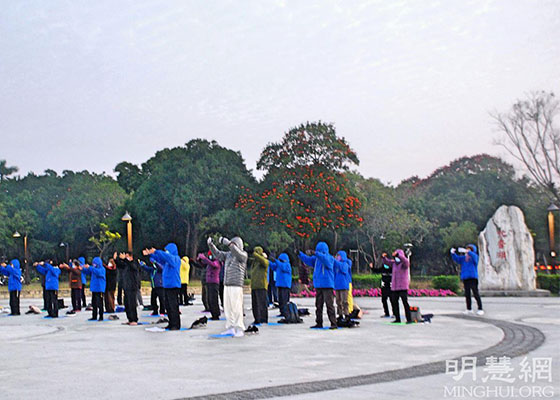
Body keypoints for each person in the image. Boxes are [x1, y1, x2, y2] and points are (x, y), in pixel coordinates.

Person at [208, 236, 248, 337]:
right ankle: (230, 327)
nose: (232, 246)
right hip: (227, 284)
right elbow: (218, 254)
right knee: (228, 307)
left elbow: (237, 253)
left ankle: (239, 328)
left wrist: (229, 243)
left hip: (236, 285)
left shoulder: (243, 255)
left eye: (234, 244)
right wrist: (211, 245)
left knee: (236, 307)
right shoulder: (229, 255)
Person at [299, 242, 337, 330]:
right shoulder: (316, 259)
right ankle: (319, 322)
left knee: (329, 305)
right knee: (318, 305)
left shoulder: (329, 258)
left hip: (327, 285)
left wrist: (316, 253)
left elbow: (325, 260)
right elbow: (307, 260)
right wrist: (300, 254)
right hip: (319, 285)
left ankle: (333, 323)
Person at [145, 243, 182, 330]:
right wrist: (151, 254)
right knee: (168, 306)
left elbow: (166, 257)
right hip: (167, 286)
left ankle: (176, 324)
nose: (166, 252)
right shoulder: (167, 261)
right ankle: (171, 322)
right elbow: (159, 259)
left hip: (173, 286)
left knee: (173, 306)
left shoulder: (175, 259)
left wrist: (157, 251)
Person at [451, 244, 484, 315]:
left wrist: (468, 252)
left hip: (473, 277)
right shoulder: (464, 258)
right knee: (467, 294)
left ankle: (480, 308)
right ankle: (469, 309)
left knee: (475, 293)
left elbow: (475, 257)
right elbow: (457, 259)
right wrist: (453, 253)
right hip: (465, 277)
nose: (467, 251)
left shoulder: (474, 257)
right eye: (467, 249)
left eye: (469, 249)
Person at [382, 250, 412, 324]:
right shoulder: (394, 263)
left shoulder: (404, 263)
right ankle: (397, 318)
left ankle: (409, 319)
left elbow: (405, 260)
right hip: (395, 287)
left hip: (403, 287)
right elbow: (387, 262)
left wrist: (398, 255)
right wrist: (384, 257)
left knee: (405, 303)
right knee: (394, 303)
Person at [114, 251, 141, 325]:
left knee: (132, 303)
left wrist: (125, 259)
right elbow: (120, 265)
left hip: (132, 286)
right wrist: (116, 259)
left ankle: (134, 319)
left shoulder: (134, 263)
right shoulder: (126, 264)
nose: (125, 258)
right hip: (126, 286)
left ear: (131, 257)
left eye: (127, 256)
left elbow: (133, 267)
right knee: (127, 303)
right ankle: (130, 318)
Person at [197, 251, 221, 320]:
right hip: (209, 282)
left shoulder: (217, 261)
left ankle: (216, 314)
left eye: (210, 255)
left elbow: (214, 265)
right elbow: (203, 264)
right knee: (209, 299)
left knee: (214, 299)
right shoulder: (209, 263)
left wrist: (205, 258)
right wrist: (200, 260)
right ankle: (213, 313)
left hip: (214, 282)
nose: (209, 256)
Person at [249, 246, 269, 325]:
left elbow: (264, 262)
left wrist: (257, 255)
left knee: (262, 304)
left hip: (261, 286)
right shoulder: (255, 263)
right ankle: (257, 319)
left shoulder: (264, 261)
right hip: (254, 286)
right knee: (255, 305)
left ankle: (263, 319)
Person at [83, 257, 106, 321]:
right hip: (94, 289)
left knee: (100, 303)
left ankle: (101, 316)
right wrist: (83, 268)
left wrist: (90, 267)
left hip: (100, 288)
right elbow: (88, 272)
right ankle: (94, 316)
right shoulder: (93, 269)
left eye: (95, 263)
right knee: (94, 303)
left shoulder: (102, 269)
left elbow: (98, 273)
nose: (93, 264)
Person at [269, 253, 292, 318]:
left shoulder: (287, 265)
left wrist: (276, 260)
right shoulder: (279, 265)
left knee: (284, 300)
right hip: (280, 285)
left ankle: (285, 312)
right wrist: (269, 261)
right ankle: (282, 311)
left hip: (285, 285)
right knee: (280, 300)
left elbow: (283, 267)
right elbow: (273, 267)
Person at [334, 251, 352, 323]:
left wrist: (336, 262)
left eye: (339, 256)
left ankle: (347, 315)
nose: (337, 257)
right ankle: (340, 314)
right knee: (338, 301)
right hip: (337, 285)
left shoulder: (345, 264)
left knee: (345, 301)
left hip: (344, 285)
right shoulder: (336, 265)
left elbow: (344, 270)